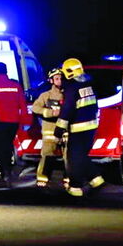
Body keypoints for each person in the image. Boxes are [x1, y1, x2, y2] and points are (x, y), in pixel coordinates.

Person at [53, 58, 104, 197]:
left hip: (78, 128)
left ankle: (76, 188)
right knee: (81, 156)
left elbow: (67, 110)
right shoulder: (90, 84)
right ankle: (96, 180)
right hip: (91, 127)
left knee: (74, 158)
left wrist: (58, 130)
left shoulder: (72, 88)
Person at [0, 61, 32, 187]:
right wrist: (25, 122)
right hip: (13, 122)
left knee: (0, 147)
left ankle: (5, 171)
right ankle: (8, 170)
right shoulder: (15, 85)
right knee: (8, 145)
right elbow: (23, 105)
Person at [31, 67, 64, 188]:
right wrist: (49, 113)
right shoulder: (45, 96)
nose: (59, 80)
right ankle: (42, 180)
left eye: (61, 78)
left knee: (68, 158)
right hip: (50, 131)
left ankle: (68, 181)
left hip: (66, 132)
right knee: (47, 156)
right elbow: (35, 108)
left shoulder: (69, 95)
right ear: (51, 80)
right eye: (56, 78)